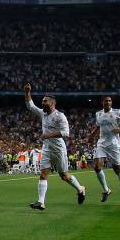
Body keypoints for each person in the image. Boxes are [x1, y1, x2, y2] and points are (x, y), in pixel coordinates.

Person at [24, 83, 85, 211]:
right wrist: (27, 92)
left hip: (58, 149)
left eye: (45, 101)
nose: (42, 103)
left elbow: (66, 133)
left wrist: (48, 135)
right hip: (46, 148)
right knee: (43, 174)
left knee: (64, 176)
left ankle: (80, 189)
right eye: (42, 101)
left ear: (52, 103)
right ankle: (41, 202)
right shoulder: (43, 114)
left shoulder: (60, 116)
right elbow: (30, 106)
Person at [87, 96, 120, 204]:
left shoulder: (117, 112)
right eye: (106, 101)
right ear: (102, 102)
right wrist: (92, 136)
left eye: (109, 100)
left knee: (117, 169)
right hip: (102, 143)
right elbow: (98, 127)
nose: (108, 102)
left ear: (111, 102)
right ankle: (106, 190)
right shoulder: (98, 114)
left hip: (114, 144)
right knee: (97, 167)